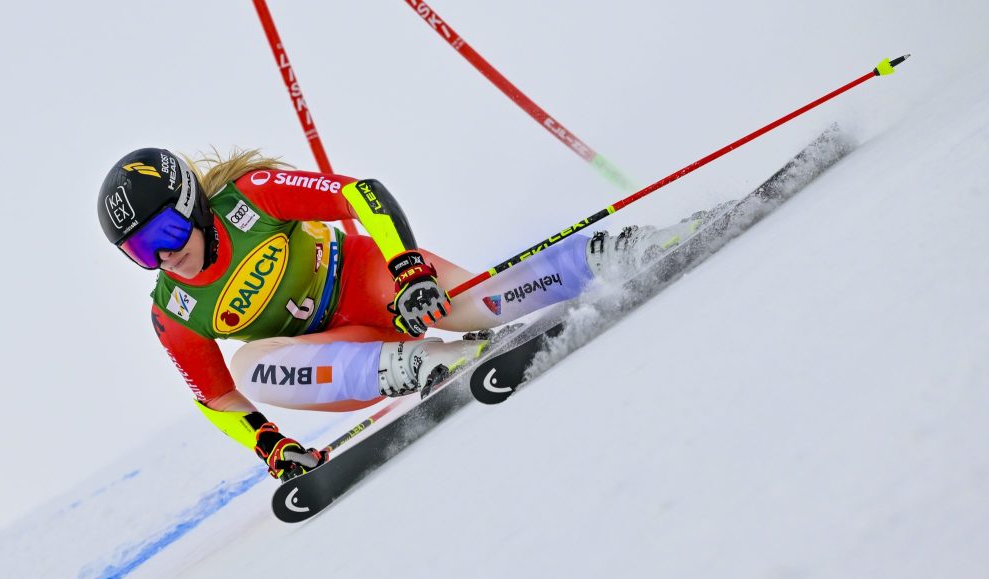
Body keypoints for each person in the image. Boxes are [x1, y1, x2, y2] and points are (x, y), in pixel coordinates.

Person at [97, 147, 684, 481]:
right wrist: (270, 444)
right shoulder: (172, 312)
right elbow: (216, 396)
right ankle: (434, 363)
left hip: (367, 279)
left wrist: (407, 270)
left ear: (193, 204)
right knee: (251, 367)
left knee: (477, 305)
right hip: (342, 351)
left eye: (166, 231)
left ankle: (612, 253)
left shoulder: (251, 196)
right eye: (142, 251)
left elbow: (362, 193)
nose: (165, 255)